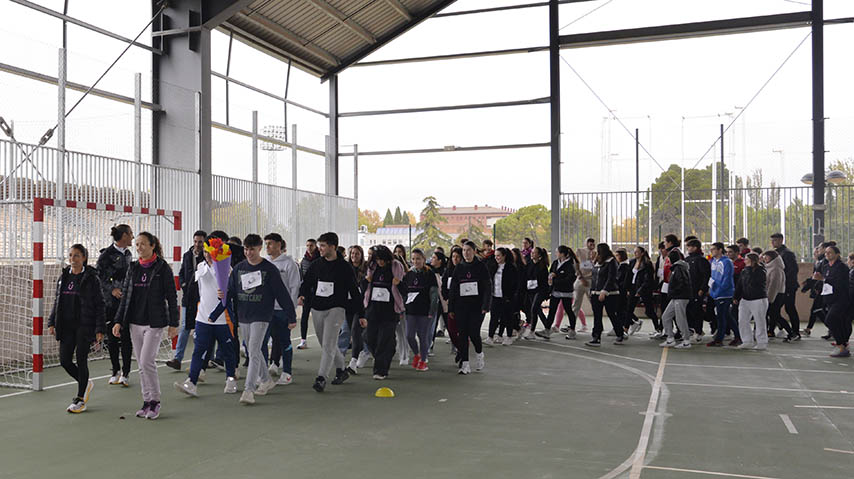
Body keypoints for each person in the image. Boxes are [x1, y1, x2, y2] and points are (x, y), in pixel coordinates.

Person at [219, 234, 296, 404]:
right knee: (252, 350)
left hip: (262, 316)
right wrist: (221, 301)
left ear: (259, 248)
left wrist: (291, 315)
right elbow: (231, 291)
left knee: (253, 350)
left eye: (252, 249)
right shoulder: (239, 268)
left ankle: (249, 390)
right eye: (246, 249)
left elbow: (282, 294)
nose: (248, 253)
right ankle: (266, 379)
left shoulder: (269, 269)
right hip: (244, 315)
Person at [112, 232, 179, 419]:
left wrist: (174, 324)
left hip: (154, 323)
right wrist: (118, 320)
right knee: (141, 364)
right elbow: (125, 296)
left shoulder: (162, 268)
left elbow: (171, 297)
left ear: (152, 246)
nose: (139, 247)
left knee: (147, 361)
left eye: (143, 244)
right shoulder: (133, 268)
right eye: (137, 244)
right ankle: (146, 400)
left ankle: (155, 401)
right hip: (135, 322)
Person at [174, 234, 239, 398]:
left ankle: (231, 379)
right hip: (203, 318)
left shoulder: (227, 269)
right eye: (205, 251)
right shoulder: (200, 267)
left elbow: (231, 293)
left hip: (224, 319)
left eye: (210, 251)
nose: (207, 255)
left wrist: (225, 293)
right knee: (198, 351)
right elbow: (200, 291)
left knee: (228, 351)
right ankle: (192, 382)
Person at [299, 232, 365, 392]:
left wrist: (361, 314)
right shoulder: (316, 265)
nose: (319, 249)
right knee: (325, 344)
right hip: (317, 308)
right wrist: (302, 294)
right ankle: (341, 370)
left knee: (328, 344)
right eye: (319, 245)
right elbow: (307, 282)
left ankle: (321, 377)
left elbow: (354, 291)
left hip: (336, 309)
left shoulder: (344, 267)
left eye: (323, 246)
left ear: (333, 247)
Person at [48, 244, 105, 413]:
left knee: (81, 359)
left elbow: (99, 304)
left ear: (84, 258)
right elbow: (57, 302)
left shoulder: (91, 278)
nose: (73, 259)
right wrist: (52, 321)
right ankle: (85, 383)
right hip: (66, 326)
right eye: (71, 255)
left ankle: (80, 398)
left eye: (77, 255)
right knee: (65, 361)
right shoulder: (63, 277)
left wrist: (99, 328)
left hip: (84, 325)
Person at [262, 233, 301, 385]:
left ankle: (287, 373)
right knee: (264, 341)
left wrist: (290, 310)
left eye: (270, 243)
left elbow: (294, 287)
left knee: (284, 340)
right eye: (266, 244)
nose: (268, 247)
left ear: (279, 245)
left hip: (282, 311)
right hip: (266, 310)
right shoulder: (264, 263)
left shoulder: (289, 264)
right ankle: (265, 370)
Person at [97, 224, 133, 387]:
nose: (133, 237)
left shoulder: (129, 254)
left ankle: (126, 372)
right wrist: (112, 290)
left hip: (126, 303)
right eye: (131, 234)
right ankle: (115, 370)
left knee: (126, 337)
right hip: (111, 304)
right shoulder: (106, 255)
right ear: (124, 235)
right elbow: (100, 277)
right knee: (112, 337)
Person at [448, 241, 492, 374]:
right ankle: (465, 364)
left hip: (477, 307)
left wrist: (486, 305)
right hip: (461, 307)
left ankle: (479, 354)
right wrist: (451, 308)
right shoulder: (459, 268)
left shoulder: (481, 267)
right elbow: (453, 290)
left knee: (473, 333)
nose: (466, 253)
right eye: (464, 250)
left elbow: (487, 287)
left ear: (474, 251)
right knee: (462, 335)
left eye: (468, 250)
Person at [363, 245, 404, 379]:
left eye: (382, 260)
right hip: (373, 309)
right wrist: (366, 281)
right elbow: (364, 287)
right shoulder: (372, 268)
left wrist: (398, 283)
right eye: (377, 259)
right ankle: (387, 351)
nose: (380, 262)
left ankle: (380, 371)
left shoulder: (395, 267)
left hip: (390, 311)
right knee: (369, 337)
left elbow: (405, 288)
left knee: (383, 340)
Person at [167, 230, 207, 370]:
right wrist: (184, 285)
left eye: (200, 242)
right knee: (184, 327)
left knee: (203, 329)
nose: (197, 244)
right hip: (188, 298)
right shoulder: (187, 255)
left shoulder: (208, 256)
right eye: (195, 241)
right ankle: (177, 359)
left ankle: (206, 358)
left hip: (203, 299)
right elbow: (181, 273)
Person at [401, 249, 438, 371]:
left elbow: (433, 294)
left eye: (418, 258)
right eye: (413, 259)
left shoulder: (429, 274)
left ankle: (423, 360)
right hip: (410, 311)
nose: (416, 261)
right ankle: (416, 354)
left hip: (425, 311)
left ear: (423, 259)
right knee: (409, 336)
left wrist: (432, 310)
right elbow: (405, 294)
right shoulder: (409, 275)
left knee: (423, 336)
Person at [814, 245, 850, 357]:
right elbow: (824, 281)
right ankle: (843, 343)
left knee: (830, 320)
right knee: (838, 321)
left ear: (837, 254)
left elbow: (839, 283)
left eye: (830, 252)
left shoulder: (842, 267)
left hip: (840, 298)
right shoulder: (825, 266)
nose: (827, 254)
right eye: (826, 253)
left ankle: (840, 345)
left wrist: (824, 279)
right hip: (829, 298)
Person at [586, 243, 625, 347]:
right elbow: (594, 277)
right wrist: (592, 290)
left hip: (610, 294)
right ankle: (596, 337)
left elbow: (611, 277)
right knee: (597, 316)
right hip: (596, 293)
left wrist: (604, 291)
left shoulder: (612, 261)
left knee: (611, 314)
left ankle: (620, 334)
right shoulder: (597, 262)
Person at [537, 245, 577, 340]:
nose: (556, 254)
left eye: (557, 252)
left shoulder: (570, 264)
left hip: (566, 291)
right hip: (555, 291)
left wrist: (556, 278)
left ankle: (572, 330)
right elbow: (551, 272)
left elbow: (570, 278)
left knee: (568, 310)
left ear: (562, 254)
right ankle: (547, 330)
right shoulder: (555, 262)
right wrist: (551, 277)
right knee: (552, 311)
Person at [707, 242, 740, 347]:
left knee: (722, 317)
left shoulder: (727, 262)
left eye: (714, 249)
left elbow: (726, 279)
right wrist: (711, 291)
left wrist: (719, 291)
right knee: (726, 316)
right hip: (715, 293)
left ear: (720, 250)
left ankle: (719, 339)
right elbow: (713, 277)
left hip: (724, 294)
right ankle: (738, 336)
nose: (711, 251)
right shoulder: (713, 262)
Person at [734, 253, 769, 350]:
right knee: (742, 320)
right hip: (745, 299)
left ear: (752, 260)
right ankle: (747, 341)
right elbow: (740, 285)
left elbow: (755, 283)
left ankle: (762, 342)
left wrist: (749, 270)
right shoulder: (744, 271)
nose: (744, 261)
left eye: (746, 259)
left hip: (758, 299)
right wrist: (736, 297)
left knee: (759, 321)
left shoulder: (760, 271)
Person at [771, 233, 801, 341]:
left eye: (774, 240)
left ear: (780, 240)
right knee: (774, 310)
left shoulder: (787, 254)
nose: (772, 242)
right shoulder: (776, 253)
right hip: (780, 287)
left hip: (787, 286)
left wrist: (785, 283)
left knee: (789, 308)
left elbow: (792, 270)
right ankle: (781, 329)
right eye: (772, 240)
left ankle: (795, 332)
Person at [659, 250, 692, 349]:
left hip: (680, 297)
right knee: (666, 316)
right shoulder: (677, 268)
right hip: (676, 297)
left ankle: (686, 340)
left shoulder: (679, 268)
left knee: (680, 319)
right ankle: (670, 338)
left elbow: (682, 283)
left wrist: (674, 291)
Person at [487, 247, 520, 345]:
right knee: (493, 317)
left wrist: (510, 296)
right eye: (495, 256)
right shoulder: (493, 266)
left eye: (498, 256)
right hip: (495, 296)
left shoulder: (511, 268)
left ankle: (509, 336)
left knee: (508, 317)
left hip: (507, 297)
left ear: (504, 256)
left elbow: (515, 284)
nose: (496, 258)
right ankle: (490, 337)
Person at [346, 245, 370, 374]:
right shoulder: (346, 268)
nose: (354, 256)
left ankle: (353, 362)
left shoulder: (366, 269)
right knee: (356, 333)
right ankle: (364, 351)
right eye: (352, 254)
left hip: (362, 305)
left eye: (357, 254)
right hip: (348, 304)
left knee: (356, 330)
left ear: (361, 255)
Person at [626, 246, 660, 338]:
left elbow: (648, 279)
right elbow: (629, 276)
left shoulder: (647, 264)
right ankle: (625, 329)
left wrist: (640, 290)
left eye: (637, 252)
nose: (635, 253)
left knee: (649, 310)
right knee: (629, 308)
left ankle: (658, 328)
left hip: (644, 289)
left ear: (642, 253)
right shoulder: (632, 262)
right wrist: (628, 288)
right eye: (634, 252)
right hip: (633, 287)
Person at [763, 250, 793, 340]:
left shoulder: (776, 269)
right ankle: (770, 331)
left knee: (775, 315)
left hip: (776, 295)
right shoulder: (769, 267)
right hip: (772, 294)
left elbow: (774, 285)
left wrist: (769, 298)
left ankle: (791, 332)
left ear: (772, 258)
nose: (764, 258)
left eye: (766, 257)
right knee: (773, 315)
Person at [684, 238, 710, 341]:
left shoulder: (701, 260)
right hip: (688, 290)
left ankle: (698, 331)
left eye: (690, 246)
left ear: (695, 247)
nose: (688, 249)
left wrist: (702, 289)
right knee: (689, 310)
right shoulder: (687, 260)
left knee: (697, 311)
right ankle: (692, 329)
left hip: (697, 290)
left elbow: (706, 276)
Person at [522, 247, 549, 340]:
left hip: (539, 291)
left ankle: (532, 331)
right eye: (532, 252)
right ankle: (547, 326)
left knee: (534, 309)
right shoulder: (528, 264)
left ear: (539, 255)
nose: (532, 254)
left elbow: (545, 282)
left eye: (534, 253)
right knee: (538, 310)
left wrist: (546, 294)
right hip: (530, 290)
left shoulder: (543, 266)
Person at [297, 238, 320, 349]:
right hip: (307, 294)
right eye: (307, 246)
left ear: (316, 246)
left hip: (319, 294)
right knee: (304, 317)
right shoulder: (304, 261)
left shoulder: (320, 259)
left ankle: (325, 340)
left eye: (311, 245)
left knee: (319, 318)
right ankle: (303, 340)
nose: (309, 248)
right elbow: (302, 279)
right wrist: (301, 294)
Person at [800, 245, 827, 337]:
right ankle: (809, 328)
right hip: (818, 289)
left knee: (817, 310)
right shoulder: (818, 262)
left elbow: (820, 277)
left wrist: (815, 287)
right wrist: (807, 283)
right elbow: (814, 277)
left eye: (818, 250)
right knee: (816, 310)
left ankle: (833, 328)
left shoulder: (824, 262)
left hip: (822, 290)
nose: (816, 253)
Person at [572, 238, 596, 331]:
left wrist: (593, 257)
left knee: (594, 304)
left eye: (593, 244)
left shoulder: (596, 253)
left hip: (591, 281)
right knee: (576, 304)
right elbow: (576, 265)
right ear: (586, 243)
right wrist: (581, 277)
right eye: (589, 243)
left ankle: (596, 326)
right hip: (580, 280)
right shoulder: (579, 251)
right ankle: (572, 326)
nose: (591, 245)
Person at [614, 248, 633, 336]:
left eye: (617, 255)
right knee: (620, 309)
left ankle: (624, 327)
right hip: (620, 290)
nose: (616, 257)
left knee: (621, 310)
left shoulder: (624, 266)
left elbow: (623, 280)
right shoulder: (620, 265)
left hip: (622, 290)